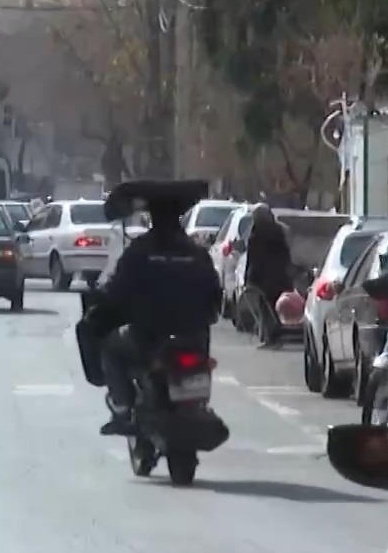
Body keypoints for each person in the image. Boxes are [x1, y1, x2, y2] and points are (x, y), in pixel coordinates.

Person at [89, 184, 222, 436]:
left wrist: (107, 300)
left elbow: (118, 289)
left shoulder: (139, 251)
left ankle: (122, 407)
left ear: (153, 218)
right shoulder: (197, 253)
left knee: (111, 348)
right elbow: (215, 296)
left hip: (146, 337)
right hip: (194, 337)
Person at [242, 204, 294, 347]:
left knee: (265, 309)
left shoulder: (256, 234)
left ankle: (271, 338)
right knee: (275, 307)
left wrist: (248, 277)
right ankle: (275, 336)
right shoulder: (279, 232)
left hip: (262, 278)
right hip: (279, 276)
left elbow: (253, 259)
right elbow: (286, 255)